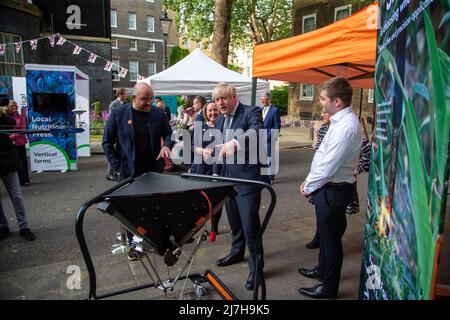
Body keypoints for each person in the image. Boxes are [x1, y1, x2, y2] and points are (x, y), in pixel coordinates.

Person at [298, 77, 362, 299]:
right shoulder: (340, 121)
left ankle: (328, 288)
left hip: (333, 190)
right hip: (329, 188)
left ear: (337, 102)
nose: (320, 102)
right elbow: (323, 157)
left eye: (323, 98)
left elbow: (327, 165)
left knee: (331, 241)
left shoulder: (346, 126)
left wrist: (309, 186)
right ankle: (322, 271)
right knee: (327, 238)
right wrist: (310, 180)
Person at [102, 82, 174, 260]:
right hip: (128, 172)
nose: (149, 102)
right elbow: (107, 143)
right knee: (129, 210)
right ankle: (134, 245)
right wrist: (117, 165)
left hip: (153, 171)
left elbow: (169, 133)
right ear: (133, 98)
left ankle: (152, 240)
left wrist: (166, 146)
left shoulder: (158, 113)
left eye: (150, 98)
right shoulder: (119, 114)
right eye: (144, 99)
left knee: (153, 207)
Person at [208, 82, 268, 290]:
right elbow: (217, 149)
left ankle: (256, 269)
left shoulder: (251, 112)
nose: (220, 103)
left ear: (234, 96)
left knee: (251, 226)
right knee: (235, 222)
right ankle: (236, 252)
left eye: (223, 98)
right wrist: (216, 173)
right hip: (228, 181)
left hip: (248, 181)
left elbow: (257, 131)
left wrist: (235, 143)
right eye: (217, 99)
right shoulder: (220, 120)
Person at [305, 112, 370, 250]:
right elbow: (318, 150)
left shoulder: (347, 129)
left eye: (325, 113)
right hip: (322, 180)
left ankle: (332, 241)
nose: (322, 115)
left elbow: (367, 152)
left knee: (337, 216)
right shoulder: (323, 129)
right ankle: (319, 238)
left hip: (340, 181)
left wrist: (356, 169)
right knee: (321, 213)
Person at [0, 97, 35, 241]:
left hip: (7, 161)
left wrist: (2, 113)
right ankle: (3, 226)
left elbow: (12, 123)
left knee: (16, 196)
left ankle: (24, 226)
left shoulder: (4, 117)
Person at [191, 101, 222, 233]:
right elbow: (193, 147)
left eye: (215, 110)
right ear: (205, 112)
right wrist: (203, 151)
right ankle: (194, 229)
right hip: (201, 168)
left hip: (218, 169)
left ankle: (214, 227)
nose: (213, 113)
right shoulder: (199, 127)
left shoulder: (224, 127)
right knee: (199, 200)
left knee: (218, 200)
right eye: (210, 110)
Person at [106, 88, 128, 181]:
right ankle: (110, 173)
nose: (126, 95)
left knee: (119, 151)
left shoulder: (124, 104)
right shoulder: (114, 104)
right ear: (120, 94)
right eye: (125, 94)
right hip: (115, 132)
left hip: (122, 131)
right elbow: (111, 119)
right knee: (113, 152)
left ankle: (115, 171)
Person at [7, 100, 30, 186]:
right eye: (10, 106)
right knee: (11, 163)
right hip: (9, 144)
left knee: (22, 161)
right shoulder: (5, 117)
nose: (12, 107)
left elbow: (22, 130)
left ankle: (25, 180)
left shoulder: (21, 118)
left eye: (13, 106)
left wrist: (10, 137)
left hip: (19, 143)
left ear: (16, 107)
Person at [261, 92, 281, 184]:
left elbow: (277, 126)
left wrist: (271, 138)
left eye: (264, 100)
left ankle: (271, 178)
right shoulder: (261, 110)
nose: (263, 101)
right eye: (261, 100)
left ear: (269, 100)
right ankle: (264, 177)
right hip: (261, 139)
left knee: (270, 159)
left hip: (270, 139)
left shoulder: (275, 110)